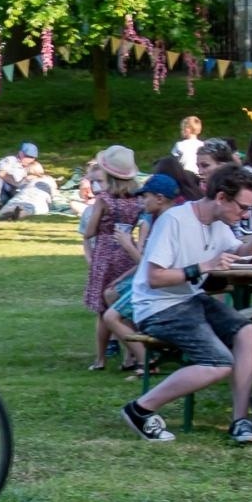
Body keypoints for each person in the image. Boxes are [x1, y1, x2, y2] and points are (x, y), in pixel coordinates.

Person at [122, 167, 252, 444]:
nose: (245, 215)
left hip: (189, 299)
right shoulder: (174, 220)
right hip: (157, 306)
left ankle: (240, 421)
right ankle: (140, 409)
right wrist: (204, 266)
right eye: (242, 207)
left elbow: (237, 251)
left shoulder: (219, 223)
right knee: (219, 363)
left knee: (246, 330)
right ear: (221, 198)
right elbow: (155, 278)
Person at [101, 172, 181, 374]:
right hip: (157, 281)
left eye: (145, 197)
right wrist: (122, 277)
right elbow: (148, 260)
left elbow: (150, 267)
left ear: (160, 198)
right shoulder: (162, 219)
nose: (141, 201)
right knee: (111, 292)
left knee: (111, 317)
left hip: (164, 287)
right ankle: (132, 355)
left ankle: (147, 362)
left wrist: (128, 245)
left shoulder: (168, 224)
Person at [81, 146, 142, 369]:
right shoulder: (138, 199)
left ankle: (100, 359)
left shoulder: (104, 200)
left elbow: (89, 232)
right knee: (124, 307)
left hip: (105, 254)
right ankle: (129, 356)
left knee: (103, 310)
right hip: (127, 252)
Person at [0, 143, 39, 214]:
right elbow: (1, 173)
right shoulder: (10, 160)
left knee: (5, 199)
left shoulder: (33, 166)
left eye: (33, 157)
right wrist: (18, 183)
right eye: (28, 156)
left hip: (11, 192)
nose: (30, 160)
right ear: (21, 154)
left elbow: (39, 176)